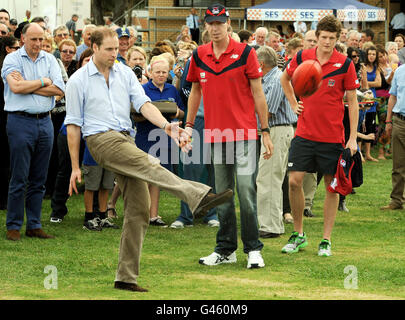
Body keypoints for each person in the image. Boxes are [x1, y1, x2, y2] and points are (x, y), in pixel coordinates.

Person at [65, 26, 232, 291]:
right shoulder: (77, 81)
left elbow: (143, 104)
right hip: (100, 140)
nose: (114, 53)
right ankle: (197, 196)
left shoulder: (124, 74)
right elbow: (73, 126)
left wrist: (167, 126)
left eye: (115, 49)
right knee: (148, 163)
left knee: (140, 208)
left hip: (125, 138)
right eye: (108, 49)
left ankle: (125, 277)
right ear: (94, 48)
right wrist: (75, 166)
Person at [184, 4, 273, 269]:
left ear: (228, 23)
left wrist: (265, 131)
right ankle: (225, 249)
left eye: (219, 23)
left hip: (244, 134)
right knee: (222, 195)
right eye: (210, 23)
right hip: (215, 134)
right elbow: (195, 92)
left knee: (245, 191)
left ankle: (253, 249)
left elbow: (258, 94)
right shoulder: (199, 55)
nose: (214, 28)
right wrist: (189, 125)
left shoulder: (247, 53)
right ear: (205, 25)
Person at [280, 15, 359, 257]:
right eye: (323, 37)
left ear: (337, 38)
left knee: (331, 187)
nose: (326, 42)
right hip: (304, 133)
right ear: (317, 35)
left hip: (333, 136)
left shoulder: (345, 63)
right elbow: (285, 78)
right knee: (294, 181)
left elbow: (353, 102)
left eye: (331, 38)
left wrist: (353, 137)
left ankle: (326, 239)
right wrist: (294, 103)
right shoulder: (303, 57)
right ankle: (298, 234)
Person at [2, 23, 65, 241]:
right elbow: (15, 88)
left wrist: (31, 84)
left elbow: (59, 90)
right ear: (23, 39)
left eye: (41, 39)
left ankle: (34, 224)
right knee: (19, 176)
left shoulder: (50, 60)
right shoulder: (12, 60)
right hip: (20, 122)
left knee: (40, 177)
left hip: (45, 122)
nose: (38, 44)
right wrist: (43, 82)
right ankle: (14, 225)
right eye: (33, 39)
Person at [135, 56, 185, 227]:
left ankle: (153, 215)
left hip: (165, 140)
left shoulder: (172, 89)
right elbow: (135, 114)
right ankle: (115, 207)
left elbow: (182, 113)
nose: (161, 75)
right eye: (158, 72)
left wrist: (175, 113)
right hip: (146, 137)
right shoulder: (143, 89)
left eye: (164, 72)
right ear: (150, 73)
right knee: (141, 177)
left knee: (156, 177)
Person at [256, 45, 297, 238]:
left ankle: (270, 226)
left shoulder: (276, 79)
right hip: (275, 131)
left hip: (276, 131)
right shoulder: (271, 78)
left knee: (269, 178)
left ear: (261, 64)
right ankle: (271, 222)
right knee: (268, 177)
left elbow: (268, 111)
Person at [49, 48, 93, 224]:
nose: (89, 63)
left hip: (93, 133)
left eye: (92, 60)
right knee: (65, 171)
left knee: (93, 172)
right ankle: (58, 210)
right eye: (86, 60)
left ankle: (96, 211)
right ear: (80, 63)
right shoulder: (75, 81)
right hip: (70, 132)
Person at [380, 64, 405, 211]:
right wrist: (388, 121)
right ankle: (396, 200)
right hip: (400, 122)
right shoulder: (400, 72)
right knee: (398, 164)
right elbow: (393, 97)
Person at [0, 36, 19, 211]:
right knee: (6, 161)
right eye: (16, 47)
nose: (19, 50)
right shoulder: (9, 68)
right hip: (7, 116)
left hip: (8, 116)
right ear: (7, 49)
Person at [363, 45, 381, 162]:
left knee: (370, 126)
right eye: (370, 54)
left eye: (374, 54)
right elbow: (362, 84)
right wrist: (370, 83)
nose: (371, 56)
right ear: (366, 55)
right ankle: (359, 152)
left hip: (372, 101)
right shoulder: (363, 67)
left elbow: (379, 83)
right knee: (361, 125)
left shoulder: (376, 68)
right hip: (363, 99)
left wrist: (367, 83)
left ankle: (368, 154)